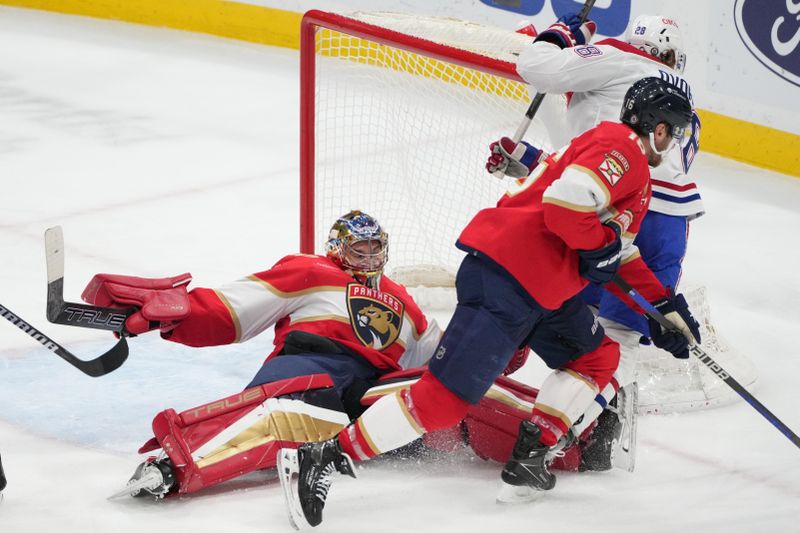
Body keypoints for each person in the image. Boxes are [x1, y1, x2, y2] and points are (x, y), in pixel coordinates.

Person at [278, 76, 701, 529]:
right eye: (673, 132)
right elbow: (566, 207)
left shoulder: (628, 172)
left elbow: (616, 252)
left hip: (544, 290)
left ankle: (529, 459)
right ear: (658, 129)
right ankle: (323, 455)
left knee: (596, 357)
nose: (674, 143)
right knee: (442, 402)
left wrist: (662, 307)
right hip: (510, 278)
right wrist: (598, 247)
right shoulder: (623, 148)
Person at [81, 210, 443, 498]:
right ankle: (172, 467)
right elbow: (233, 308)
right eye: (357, 250)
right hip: (310, 367)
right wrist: (173, 316)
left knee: (426, 399)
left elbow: (435, 357)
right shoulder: (313, 270)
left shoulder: (404, 300)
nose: (367, 258)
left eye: (374, 249)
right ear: (337, 249)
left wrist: (490, 351)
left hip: (367, 388)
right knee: (281, 413)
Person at [486, 13, 704, 471]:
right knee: (619, 337)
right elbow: (600, 151)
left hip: (610, 205)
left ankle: (501, 361)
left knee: (561, 306)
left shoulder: (621, 60)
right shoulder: (680, 101)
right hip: (666, 223)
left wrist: (566, 32)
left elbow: (537, 65)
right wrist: (533, 161)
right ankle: (593, 428)